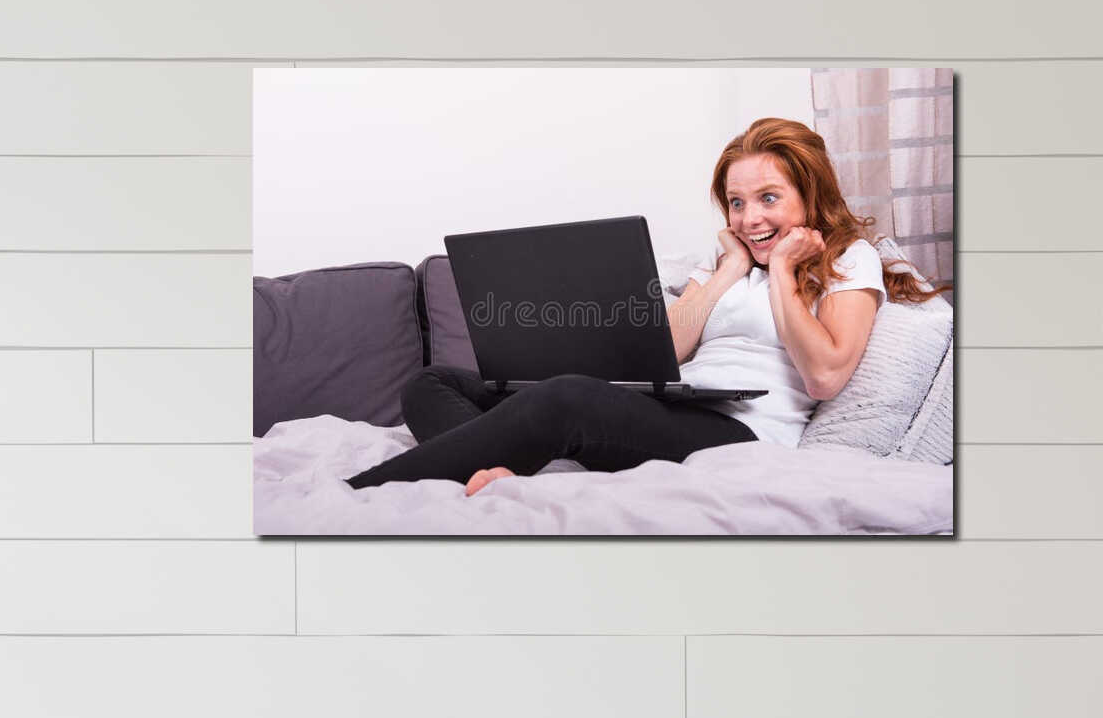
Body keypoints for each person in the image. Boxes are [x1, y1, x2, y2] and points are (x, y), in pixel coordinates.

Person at [346, 117, 948, 494]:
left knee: (567, 396)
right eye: (737, 203)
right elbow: (665, 352)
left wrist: (787, 270)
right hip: (672, 404)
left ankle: (364, 488)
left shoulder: (850, 259)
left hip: (739, 433)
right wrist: (725, 275)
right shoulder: (726, 264)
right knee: (432, 382)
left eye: (769, 197)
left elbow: (824, 375)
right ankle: (490, 469)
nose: (751, 218)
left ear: (810, 194)